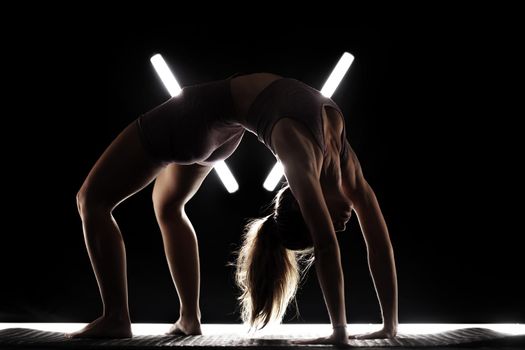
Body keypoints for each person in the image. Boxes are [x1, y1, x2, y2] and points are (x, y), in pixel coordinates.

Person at [66, 72, 398, 345]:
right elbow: (360, 241)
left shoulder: (307, 163)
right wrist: (368, 328)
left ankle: (118, 317)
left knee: (91, 200)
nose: (341, 223)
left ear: (302, 202)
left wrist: (370, 327)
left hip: (201, 117)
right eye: (334, 223)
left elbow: (334, 245)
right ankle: (187, 318)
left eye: (324, 222)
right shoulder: (345, 166)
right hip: (220, 128)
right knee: (167, 206)